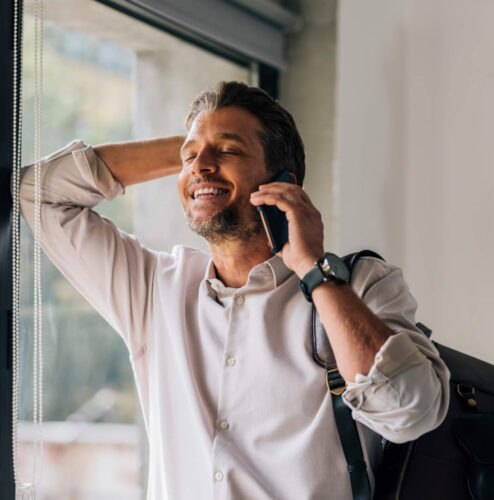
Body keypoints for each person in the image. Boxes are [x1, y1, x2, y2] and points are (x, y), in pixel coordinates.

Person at [20, 81, 450, 499]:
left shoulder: (358, 283)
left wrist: (314, 271)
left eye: (228, 150)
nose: (199, 165)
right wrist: (197, 150)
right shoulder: (155, 288)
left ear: (284, 181)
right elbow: (39, 193)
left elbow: (411, 412)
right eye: (188, 157)